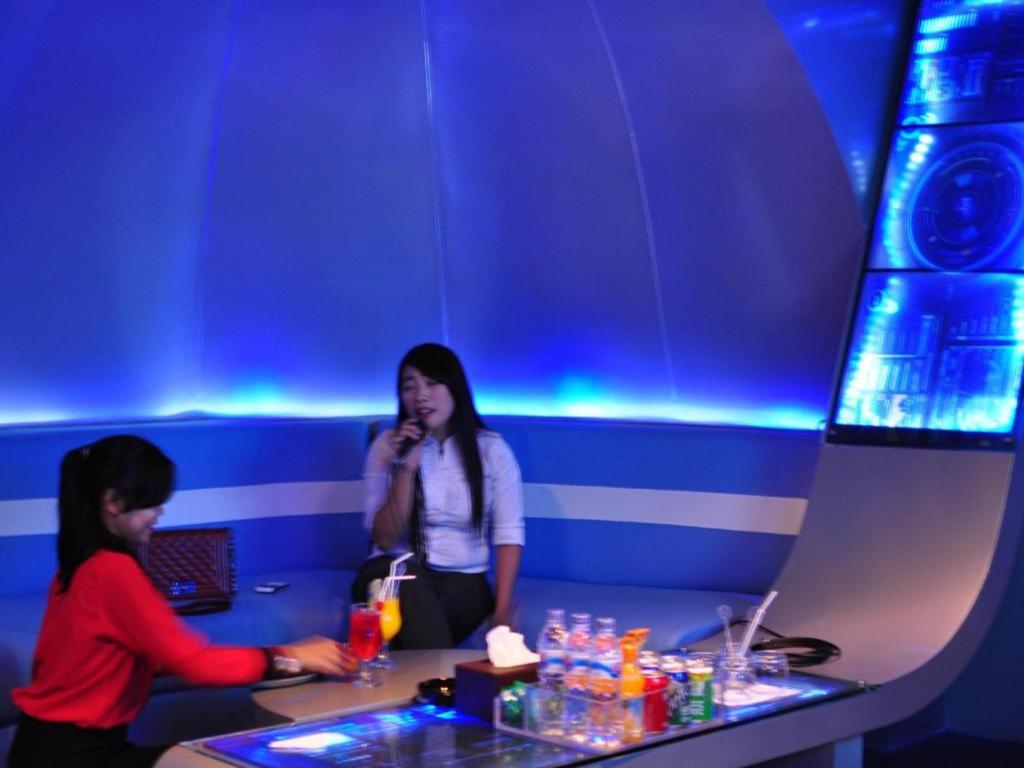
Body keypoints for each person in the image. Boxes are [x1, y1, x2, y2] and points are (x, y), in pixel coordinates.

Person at [9, 435, 358, 768]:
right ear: (113, 502)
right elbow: (196, 664)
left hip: (45, 748)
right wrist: (292, 656)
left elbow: (160, 657)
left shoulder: (78, 565)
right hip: (73, 756)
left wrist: (279, 656)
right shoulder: (111, 570)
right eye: (151, 501)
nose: (159, 512)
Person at [352, 343, 525, 649]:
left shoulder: (492, 450)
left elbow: (508, 534)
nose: (420, 395)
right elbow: (384, 540)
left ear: (454, 388)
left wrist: (502, 612)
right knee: (407, 584)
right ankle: (441, 677)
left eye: (431, 383)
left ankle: (419, 675)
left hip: (463, 581)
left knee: (421, 612)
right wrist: (405, 467)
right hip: (392, 572)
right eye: (409, 386)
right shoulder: (386, 447)